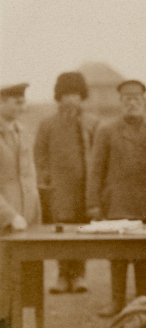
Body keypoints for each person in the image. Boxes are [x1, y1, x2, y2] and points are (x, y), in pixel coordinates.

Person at [87, 79, 146, 317]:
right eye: (127, 100)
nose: (132, 104)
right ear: (120, 102)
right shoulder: (106, 130)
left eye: (136, 99)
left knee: (145, 257)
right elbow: (96, 169)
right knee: (118, 256)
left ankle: (143, 303)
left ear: (144, 102)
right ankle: (117, 302)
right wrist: (94, 203)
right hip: (116, 204)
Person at [34, 72, 98, 294]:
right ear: (59, 97)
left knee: (82, 229)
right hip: (59, 189)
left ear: (82, 97)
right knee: (61, 231)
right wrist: (45, 181)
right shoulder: (47, 125)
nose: (71, 100)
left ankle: (79, 275)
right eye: (67, 95)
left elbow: (99, 157)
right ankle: (62, 276)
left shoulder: (92, 123)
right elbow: (39, 156)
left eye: (76, 95)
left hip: (84, 189)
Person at [0, 83, 41, 327]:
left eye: (24, 102)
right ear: (1, 102)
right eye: (17, 102)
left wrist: (32, 212)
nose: (23, 108)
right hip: (5, 221)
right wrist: (9, 215)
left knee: (19, 287)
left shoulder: (20, 131)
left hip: (24, 219)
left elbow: (28, 178)